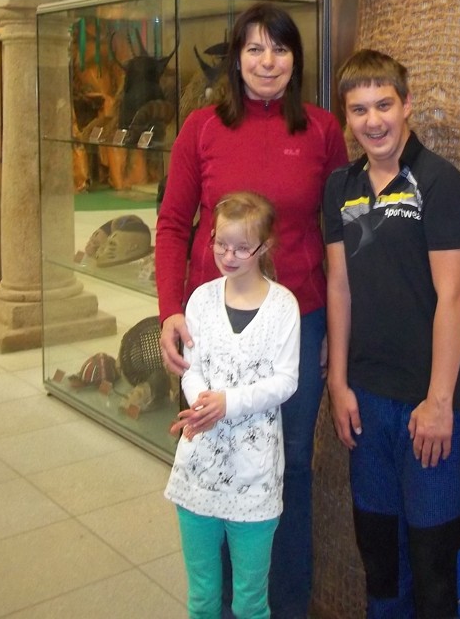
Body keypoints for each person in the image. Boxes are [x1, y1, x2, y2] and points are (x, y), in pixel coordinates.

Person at [156, 3, 348, 619]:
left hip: (295, 323)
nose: (268, 62)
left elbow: (340, 238)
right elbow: (172, 223)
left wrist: (333, 330)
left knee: (285, 463)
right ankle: (216, 604)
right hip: (210, 326)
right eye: (255, 49)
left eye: (281, 49)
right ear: (236, 59)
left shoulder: (322, 131)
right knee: (211, 456)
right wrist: (169, 311)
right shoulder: (202, 129)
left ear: (297, 59)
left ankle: (279, 606)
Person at [323, 49, 460, 619]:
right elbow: (339, 286)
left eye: (384, 104)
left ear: (407, 104)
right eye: (359, 109)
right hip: (366, 400)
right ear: (346, 116)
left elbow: (453, 298)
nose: (373, 121)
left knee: (435, 560)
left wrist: (439, 401)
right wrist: (338, 384)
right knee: (381, 558)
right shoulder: (339, 186)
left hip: (429, 404)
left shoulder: (439, 182)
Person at [165, 191, 300, 619]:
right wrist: (201, 405)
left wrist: (228, 403)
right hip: (198, 470)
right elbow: (190, 368)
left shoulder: (283, 306)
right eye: (221, 244)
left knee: (250, 602)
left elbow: (286, 380)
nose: (229, 255)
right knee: (202, 597)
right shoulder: (201, 299)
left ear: (265, 246)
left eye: (242, 247)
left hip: (255, 476)